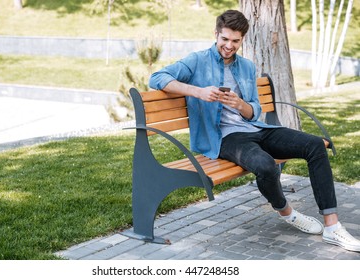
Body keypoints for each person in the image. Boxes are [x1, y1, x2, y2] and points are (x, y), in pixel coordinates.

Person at [149, 9, 360, 252]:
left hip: (254, 128)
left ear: (242, 39)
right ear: (216, 33)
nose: (229, 46)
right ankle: (287, 212)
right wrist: (198, 91)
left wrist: (241, 105)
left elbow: (255, 111)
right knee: (266, 164)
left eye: (235, 41)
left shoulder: (246, 67)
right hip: (225, 139)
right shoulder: (197, 61)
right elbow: (157, 77)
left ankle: (332, 227)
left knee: (314, 144)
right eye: (225, 39)